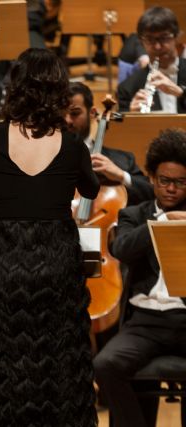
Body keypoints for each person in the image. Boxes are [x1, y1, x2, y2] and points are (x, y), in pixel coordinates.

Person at [0, 48, 100, 425]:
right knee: (58, 370)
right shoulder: (71, 143)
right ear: (59, 91)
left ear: (15, 86)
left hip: (3, 272)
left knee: (1, 371)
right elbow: (92, 189)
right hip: (56, 272)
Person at [93, 128, 186, 427]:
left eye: (181, 183)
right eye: (165, 181)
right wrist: (161, 221)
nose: (172, 189)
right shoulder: (134, 213)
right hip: (145, 322)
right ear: (151, 179)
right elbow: (122, 248)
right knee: (104, 364)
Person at [67, 82, 154, 206]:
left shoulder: (123, 160)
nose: (67, 120)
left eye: (74, 113)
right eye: (61, 113)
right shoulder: (43, 157)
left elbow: (152, 194)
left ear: (92, 113)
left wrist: (121, 176)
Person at [117, 7, 186, 113]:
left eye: (164, 38)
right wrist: (131, 116)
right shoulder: (127, 88)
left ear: (176, 37)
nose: (157, 47)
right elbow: (121, 126)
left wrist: (181, 93)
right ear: (141, 42)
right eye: (150, 39)